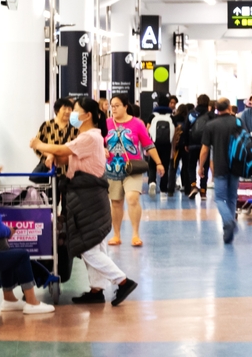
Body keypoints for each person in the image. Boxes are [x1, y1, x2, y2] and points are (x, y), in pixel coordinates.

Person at [30, 98, 138, 306]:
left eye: (75, 110)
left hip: (88, 197)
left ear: (87, 115)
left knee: (87, 248)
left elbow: (62, 151)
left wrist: (39, 144)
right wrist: (49, 153)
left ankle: (122, 281)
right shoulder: (84, 137)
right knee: (95, 244)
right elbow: (62, 157)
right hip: (87, 197)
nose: (71, 114)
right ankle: (96, 290)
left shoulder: (89, 137)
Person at [0, 153, 54, 314]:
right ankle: (32, 302)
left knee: (6, 252)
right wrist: (9, 231)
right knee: (21, 256)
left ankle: (8, 299)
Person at [106, 94, 163, 247]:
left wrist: (158, 163)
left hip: (133, 167)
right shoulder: (106, 123)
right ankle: (116, 235)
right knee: (116, 202)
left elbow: (148, 144)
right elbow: (99, 141)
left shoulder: (137, 123)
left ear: (125, 106)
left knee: (132, 198)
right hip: (112, 168)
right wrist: (102, 149)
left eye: (117, 105)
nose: (114, 108)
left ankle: (135, 234)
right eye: (112, 106)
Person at [199, 99, 244, 244]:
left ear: (215, 108)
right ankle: (228, 228)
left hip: (220, 165)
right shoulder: (238, 123)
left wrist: (201, 166)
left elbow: (205, 149)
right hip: (236, 165)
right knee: (231, 197)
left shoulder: (211, 125)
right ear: (230, 108)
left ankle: (228, 222)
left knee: (219, 198)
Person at [34, 98, 77, 176]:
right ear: (57, 110)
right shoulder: (47, 125)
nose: (67, 111)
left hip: (69, 171)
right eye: (64, 108)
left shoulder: (75, 128)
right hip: (50, 169)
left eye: (70, 109)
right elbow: (36, 145)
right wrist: (48, 155)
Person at [183, 94, 213, 199]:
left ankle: (193, 186)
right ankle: (203, 191)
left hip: (192, 144)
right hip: (205, 145)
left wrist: (186, 143)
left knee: (191, 166)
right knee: (204, 167)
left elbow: (185, 129)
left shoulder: (191, 114)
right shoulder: (210, 115)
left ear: (197, 102)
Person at [147, 96, 175, 197]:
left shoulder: (153, 116)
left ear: (157, 104)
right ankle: (163, 189)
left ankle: (152, 182)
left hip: (154, 144)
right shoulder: (171, 116)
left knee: (152, 164)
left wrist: (147, 146)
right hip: (167, 144)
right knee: (165, 166)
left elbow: (147, 130)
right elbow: (175, 132)